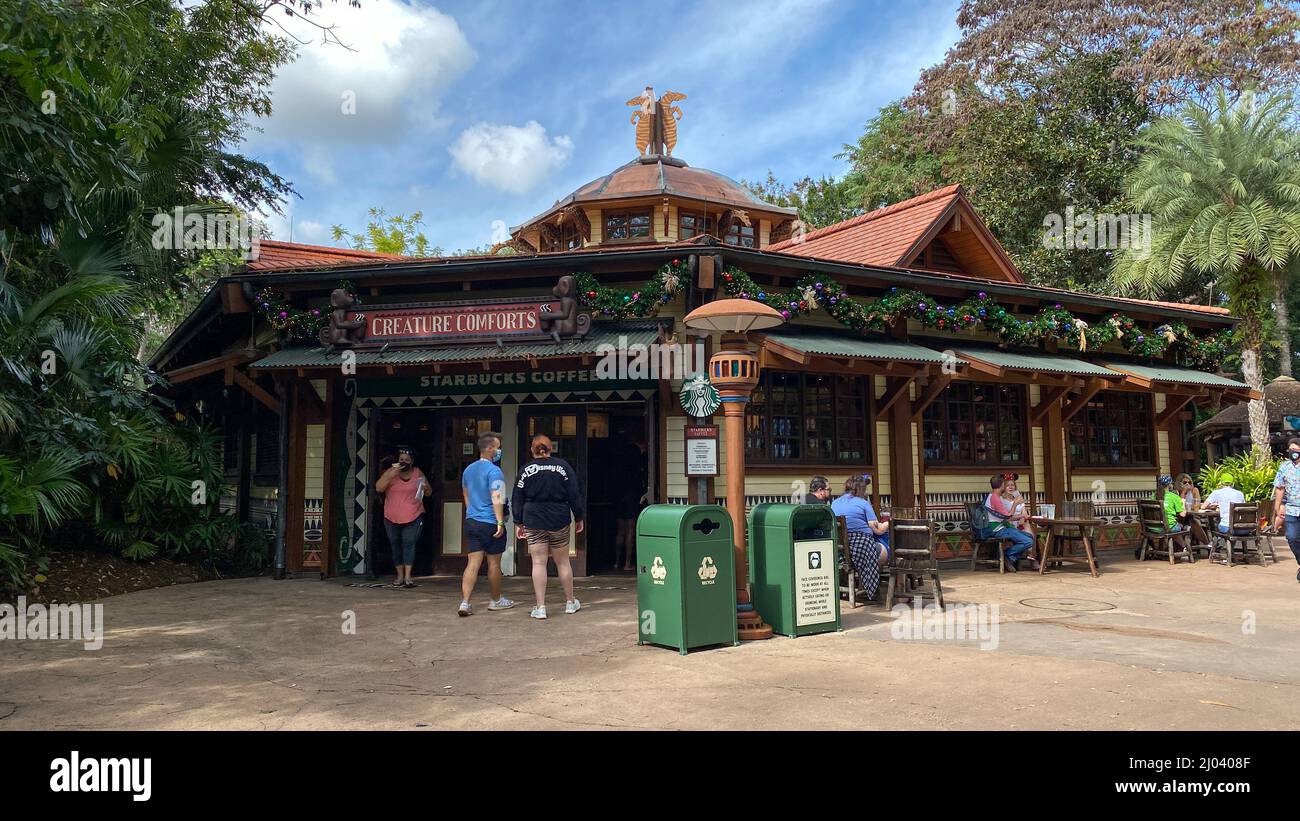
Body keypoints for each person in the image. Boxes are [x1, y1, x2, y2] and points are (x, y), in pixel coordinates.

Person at [512, 434, 586, 619]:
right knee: (563, 561)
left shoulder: (525, 470)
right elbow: (574, 493)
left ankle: (541, 606)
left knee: (538, 562)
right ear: (550, 448)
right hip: (558, 517)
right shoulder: (563, 467)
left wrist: (518, 521)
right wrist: (579, 516)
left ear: (532, 449)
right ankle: (570, 602)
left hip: (533, 518)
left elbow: (517, 497)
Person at [457, 432, 515, 616]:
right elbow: (497, 496)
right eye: (497, 447)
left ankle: (465, 602)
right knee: (494, 564)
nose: (499, 451)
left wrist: (471, 513)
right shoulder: (495, 471)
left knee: (472, 563)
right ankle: (496, 600)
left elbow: (465, 494)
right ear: (489, 448)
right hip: (490, 521)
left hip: (472, 520)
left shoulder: (468, 470)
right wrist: (499, 522)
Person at [375, 446, 430, 589]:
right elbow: (379, 488)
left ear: (412, 461)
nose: (403, 462)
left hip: (414, 515)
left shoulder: (418, 473)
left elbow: (429, 492)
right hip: (391, 517)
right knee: (395, 545)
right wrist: (390, 474)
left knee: (408, 543)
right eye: (401, 460)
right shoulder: (390, 473)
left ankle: (408, 576)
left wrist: (425, 487)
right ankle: (399, 575)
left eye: (407, 460)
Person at [831, 474, 889, 598]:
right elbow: (877, 530)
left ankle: (862, 585)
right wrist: (887, 524)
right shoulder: (863, 503)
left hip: (840, 552)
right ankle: (868, 587)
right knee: (885, 550)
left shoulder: (834, 503)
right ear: (860, 489)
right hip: (861, 549)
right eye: (865, 489)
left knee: (872, 546)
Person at [984, 474, 1035, 571]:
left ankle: (1010, 557)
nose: (1006, 486)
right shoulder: (995, 499)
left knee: (1029, 537)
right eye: (1004, 484)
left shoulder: (994, 496)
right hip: (998, 529)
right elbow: (1007, 516)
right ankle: (1008, 555)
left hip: (1003, 527)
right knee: (1028, 541)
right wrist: (1015, 504)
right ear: (1001, 485)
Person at [614, 437, 648, 572]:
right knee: (630, 531)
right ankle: (627, 563)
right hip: (632, 497)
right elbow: (640, 478)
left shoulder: (620, 458)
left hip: (619, 496)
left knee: (620, 531)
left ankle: (616, 562)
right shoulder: (636, 458)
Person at [1272, 437, 1300, 583]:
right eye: (1291, 450)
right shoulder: (1284, 467)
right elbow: (1280, 488)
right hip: (1291, 509)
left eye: (1296, 450)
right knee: (1292, 537)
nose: (1293, 453)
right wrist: (1278, 506)